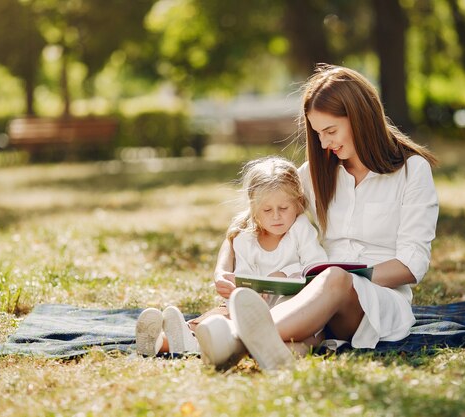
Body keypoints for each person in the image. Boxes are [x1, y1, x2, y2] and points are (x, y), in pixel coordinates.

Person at [196, 64, 439, 370]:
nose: (324, 143)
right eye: (317, 133)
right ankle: (276, 351)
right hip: (313, 300)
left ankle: (232, 340)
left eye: (331, 131)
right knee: (297, 329)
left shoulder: (412, 172)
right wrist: (222, 270)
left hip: (378, 303)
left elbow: (411, 264)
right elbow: (246, 222)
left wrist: (343, 281)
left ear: (360, 118)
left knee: (335, 277)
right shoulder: (315, 174)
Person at [135, 156, 327, 360]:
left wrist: (287, 276)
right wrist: (235, 285)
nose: (276, 216)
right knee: (217, 318)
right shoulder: (246, 236)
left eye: (284, 208)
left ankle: (190, 342)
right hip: (247, 310)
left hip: (289, 309)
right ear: (254, 208)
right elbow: (239, 276)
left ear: (298, 203)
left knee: (306, 340)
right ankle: (162, 342)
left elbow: (318, 270)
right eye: (267, 210)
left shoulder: (301, 229)